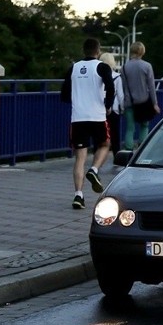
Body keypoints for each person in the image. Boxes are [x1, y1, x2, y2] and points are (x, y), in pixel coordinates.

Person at [60, 37, 115, 210]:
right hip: (97, 115)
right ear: (98, 51)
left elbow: (64, 94)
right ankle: (95, 170)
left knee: (80, 157)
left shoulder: (73, 68)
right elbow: (110, 86)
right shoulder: (102, 67)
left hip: (78, 117)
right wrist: (107, 105)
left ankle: (78, 195)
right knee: (105, 144)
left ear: (83, 51)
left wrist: (77, 100)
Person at [121, 41, 160, 150]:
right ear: (142, 51)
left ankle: (128, 150)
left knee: (130, 128)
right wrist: (155, 103)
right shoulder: (147, 66)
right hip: (144, 101)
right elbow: (151, 86)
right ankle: (142, 148)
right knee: (144, 126)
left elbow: (123, 87)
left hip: (129, 102)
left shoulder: (124, 67)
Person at [99, 52, 124, 156]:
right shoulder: (117, 77)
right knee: (115, 134)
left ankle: (98, 154)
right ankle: (116, 155)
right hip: (113, 109)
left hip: (100, 108)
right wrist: (122, 108)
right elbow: (120, 95)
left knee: (100, 135)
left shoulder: (98, 75)